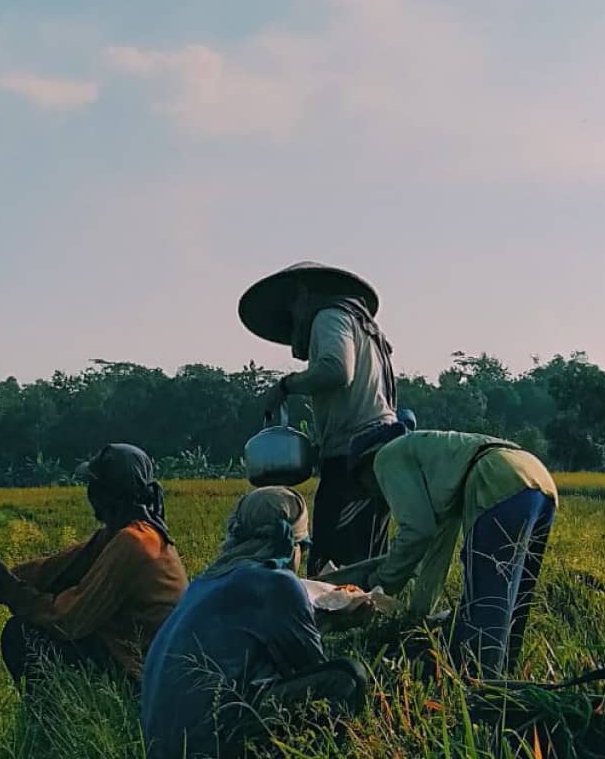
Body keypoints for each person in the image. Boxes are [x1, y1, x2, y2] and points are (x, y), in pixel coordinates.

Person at [0, 443, 188, 688]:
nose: (88, 493)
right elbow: (49, 570)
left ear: (105, 493)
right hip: (140, 664)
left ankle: (49, 731)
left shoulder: (134, 542)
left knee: (22, 634)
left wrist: (8, 588)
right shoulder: (118, 536)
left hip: (147, 678)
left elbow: (68, 620)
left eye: (92, 486)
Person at [141, 486, 367, 759]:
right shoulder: (276, 582)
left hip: (165, 746)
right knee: (347, 678)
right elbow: (310, 665)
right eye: (302, 547)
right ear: (291, 543)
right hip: (212, 742)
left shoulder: (204, 582)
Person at [347, 425, 558, 679]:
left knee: (486, 604)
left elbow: (417, 531)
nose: (372, 490)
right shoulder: (441, 476)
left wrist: (379, 584)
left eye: (364, 483)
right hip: (537, 479)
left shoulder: (385, 457)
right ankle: (507, 681)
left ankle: (482, 693)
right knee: (513, 604)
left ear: (366, 464)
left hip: (499, 478)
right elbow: (437, 552)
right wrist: (417, 617)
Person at [239, 261, 398, 576]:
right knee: (362, 556)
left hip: (357, 456)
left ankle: (343, 620)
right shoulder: (360, 325)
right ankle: (362, 618)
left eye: (293, 308)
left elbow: (337, 370)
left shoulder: (329, 317)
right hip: (368, 451)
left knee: (337, 566)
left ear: (304, 295)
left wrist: (286, 386)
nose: (294, 319)